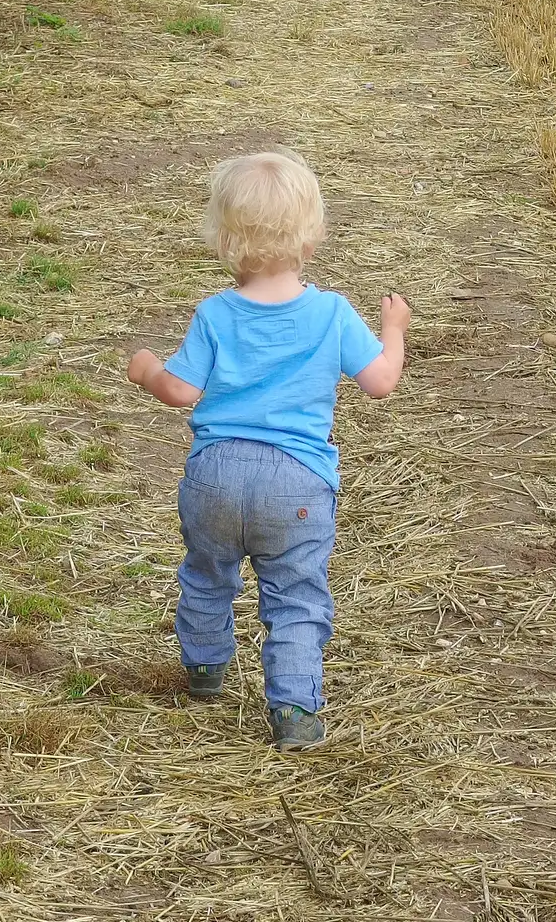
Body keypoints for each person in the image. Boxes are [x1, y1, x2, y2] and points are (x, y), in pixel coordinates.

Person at [126, 150, 411, 752]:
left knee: (207, 575)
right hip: (298, 482)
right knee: (296, 595)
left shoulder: (214, 313)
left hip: (215, 475)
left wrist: (147, 368)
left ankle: (204, 668)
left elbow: (180, 392)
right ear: (312, 237)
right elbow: (381, 381)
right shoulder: (333, 313)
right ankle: (295, 709)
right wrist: (394, 331)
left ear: (225, 240)